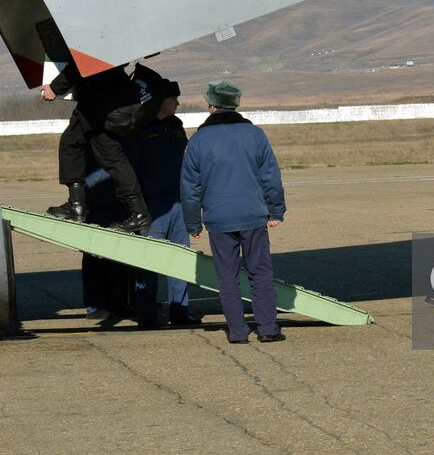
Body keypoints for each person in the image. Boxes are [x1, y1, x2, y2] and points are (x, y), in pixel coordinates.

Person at [181, 81, 286, 344]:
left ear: (211, 105)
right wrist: (276, 211)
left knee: (227, 278)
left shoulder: (198, 140)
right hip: (253, 216)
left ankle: (238, 332)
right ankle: (267, 328)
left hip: (218, 220)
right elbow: (271, 177)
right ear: (236, 104)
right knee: (260, 273)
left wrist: (193, 223)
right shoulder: (256, 135)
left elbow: (189, 188)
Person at [82, 92, 196, 327]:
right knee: (148, 263)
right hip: (151, 204)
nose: (177, 102)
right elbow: (131, 168)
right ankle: (146, 314)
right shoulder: (142, 129)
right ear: (161, 101)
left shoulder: (177, 127)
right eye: (173, 97)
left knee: (180, 261)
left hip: (177, 202)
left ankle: (180, 311)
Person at [43, 62, 172, 233]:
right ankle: (136, 212)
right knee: (103, 154)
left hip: (100, 100)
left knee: (77, 146)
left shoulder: (92, 38)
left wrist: (55, 87)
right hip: (108, 100)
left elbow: (83, 61)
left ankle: (78, 206)